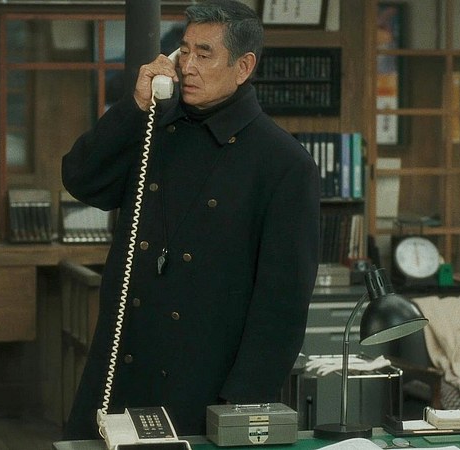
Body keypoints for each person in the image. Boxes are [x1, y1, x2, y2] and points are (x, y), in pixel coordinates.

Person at [61, 0, 320, 440]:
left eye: (204, 54)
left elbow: (282, 306)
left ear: (243, 67)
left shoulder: (283, 163)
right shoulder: (153, 127)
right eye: (184, 51)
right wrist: (135, 107)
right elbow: (81, 181)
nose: (188, 66)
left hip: (204, 385)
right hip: (123, 369)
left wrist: (241, 406)